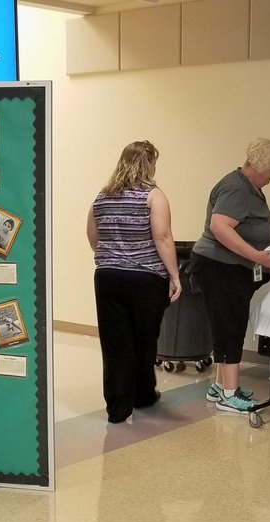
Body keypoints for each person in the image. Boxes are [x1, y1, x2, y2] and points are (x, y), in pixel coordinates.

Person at [190, 138, 270, 414]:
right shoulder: (236, 187)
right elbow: (220, 227)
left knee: (229, 324)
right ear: (261, 166)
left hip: (226, 267)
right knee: (230, 326)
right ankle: (229, 395)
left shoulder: (247, 186)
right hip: (220, 266)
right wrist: (256, 256)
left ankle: (221, 386)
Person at [86, 140, 181, 423]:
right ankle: (142, 395)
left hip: (108, 278)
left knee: (115, 344)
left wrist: (113, 257)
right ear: (148, 163)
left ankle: (117, 408)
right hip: (145, 279)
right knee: (143, 340)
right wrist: (174, 275)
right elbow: (162, 238)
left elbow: (93, 237)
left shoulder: (102, 196)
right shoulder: (153, 196)